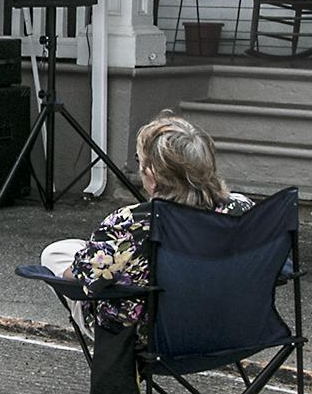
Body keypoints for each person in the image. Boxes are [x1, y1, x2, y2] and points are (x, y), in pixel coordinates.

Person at [40, 112, 253, 341]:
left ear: (152, 174)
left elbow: (82, 276)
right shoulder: (242, 210)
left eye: (139, 160)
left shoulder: (130, 224)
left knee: (56, 254)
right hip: (230, 326)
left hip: (151, 336)